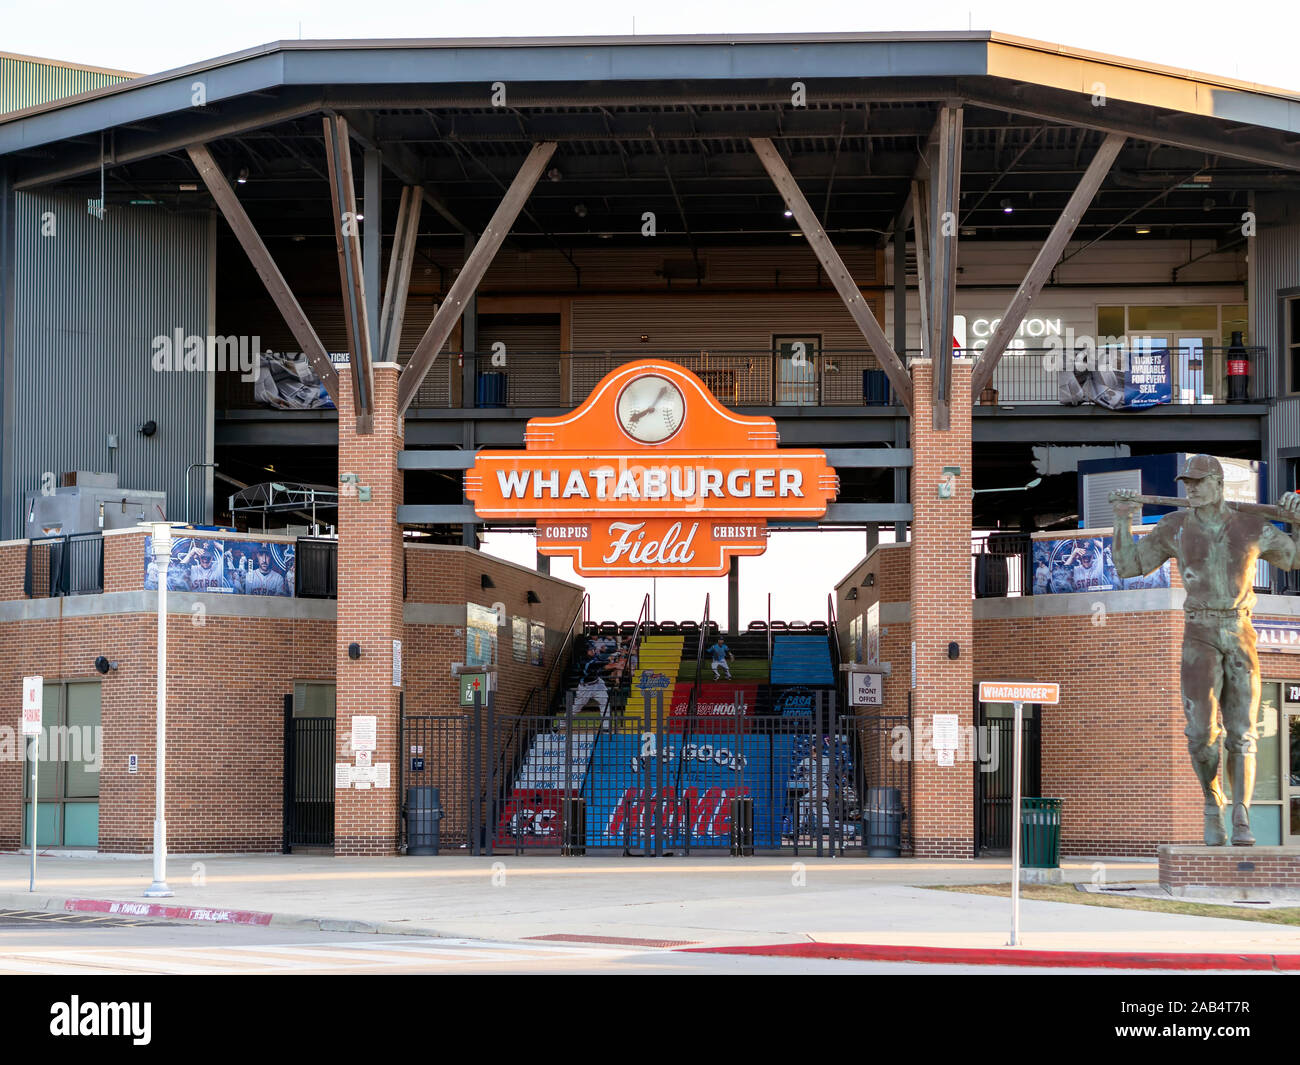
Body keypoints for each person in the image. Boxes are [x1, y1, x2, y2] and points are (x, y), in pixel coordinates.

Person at [1112, 454, 1300, 846]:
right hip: (1198, 630)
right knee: (1200, 734)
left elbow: (1295, 558)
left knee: (1242, 734)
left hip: (1240, 630)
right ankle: (1212, 800)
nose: (1191, 488)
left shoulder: (1252, 526)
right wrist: (1122, 518)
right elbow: (1129, 566)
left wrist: (1297, 522)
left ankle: (1242, 815)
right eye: (1187, 483)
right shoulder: (1174, 527)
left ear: (1218, 483)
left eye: (1199, 482)